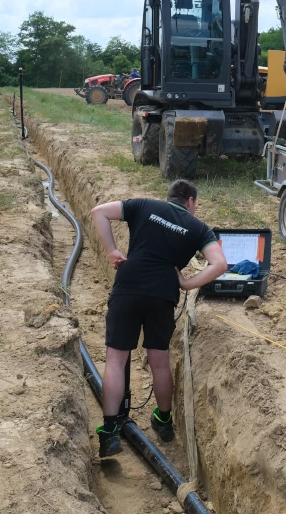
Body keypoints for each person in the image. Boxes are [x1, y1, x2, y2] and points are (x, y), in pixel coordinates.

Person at [89, 180, 227, 457]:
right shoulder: (199, 228)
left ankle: (110, 431)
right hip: (163, 293)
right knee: (159, 361)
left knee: (116, 360)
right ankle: (163, 420)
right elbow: (220, 264)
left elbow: (98, 212)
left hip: (128, 286)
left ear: (170, 197)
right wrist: (186, 283)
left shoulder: (143, 205)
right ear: (190, 201)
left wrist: (112, 251)